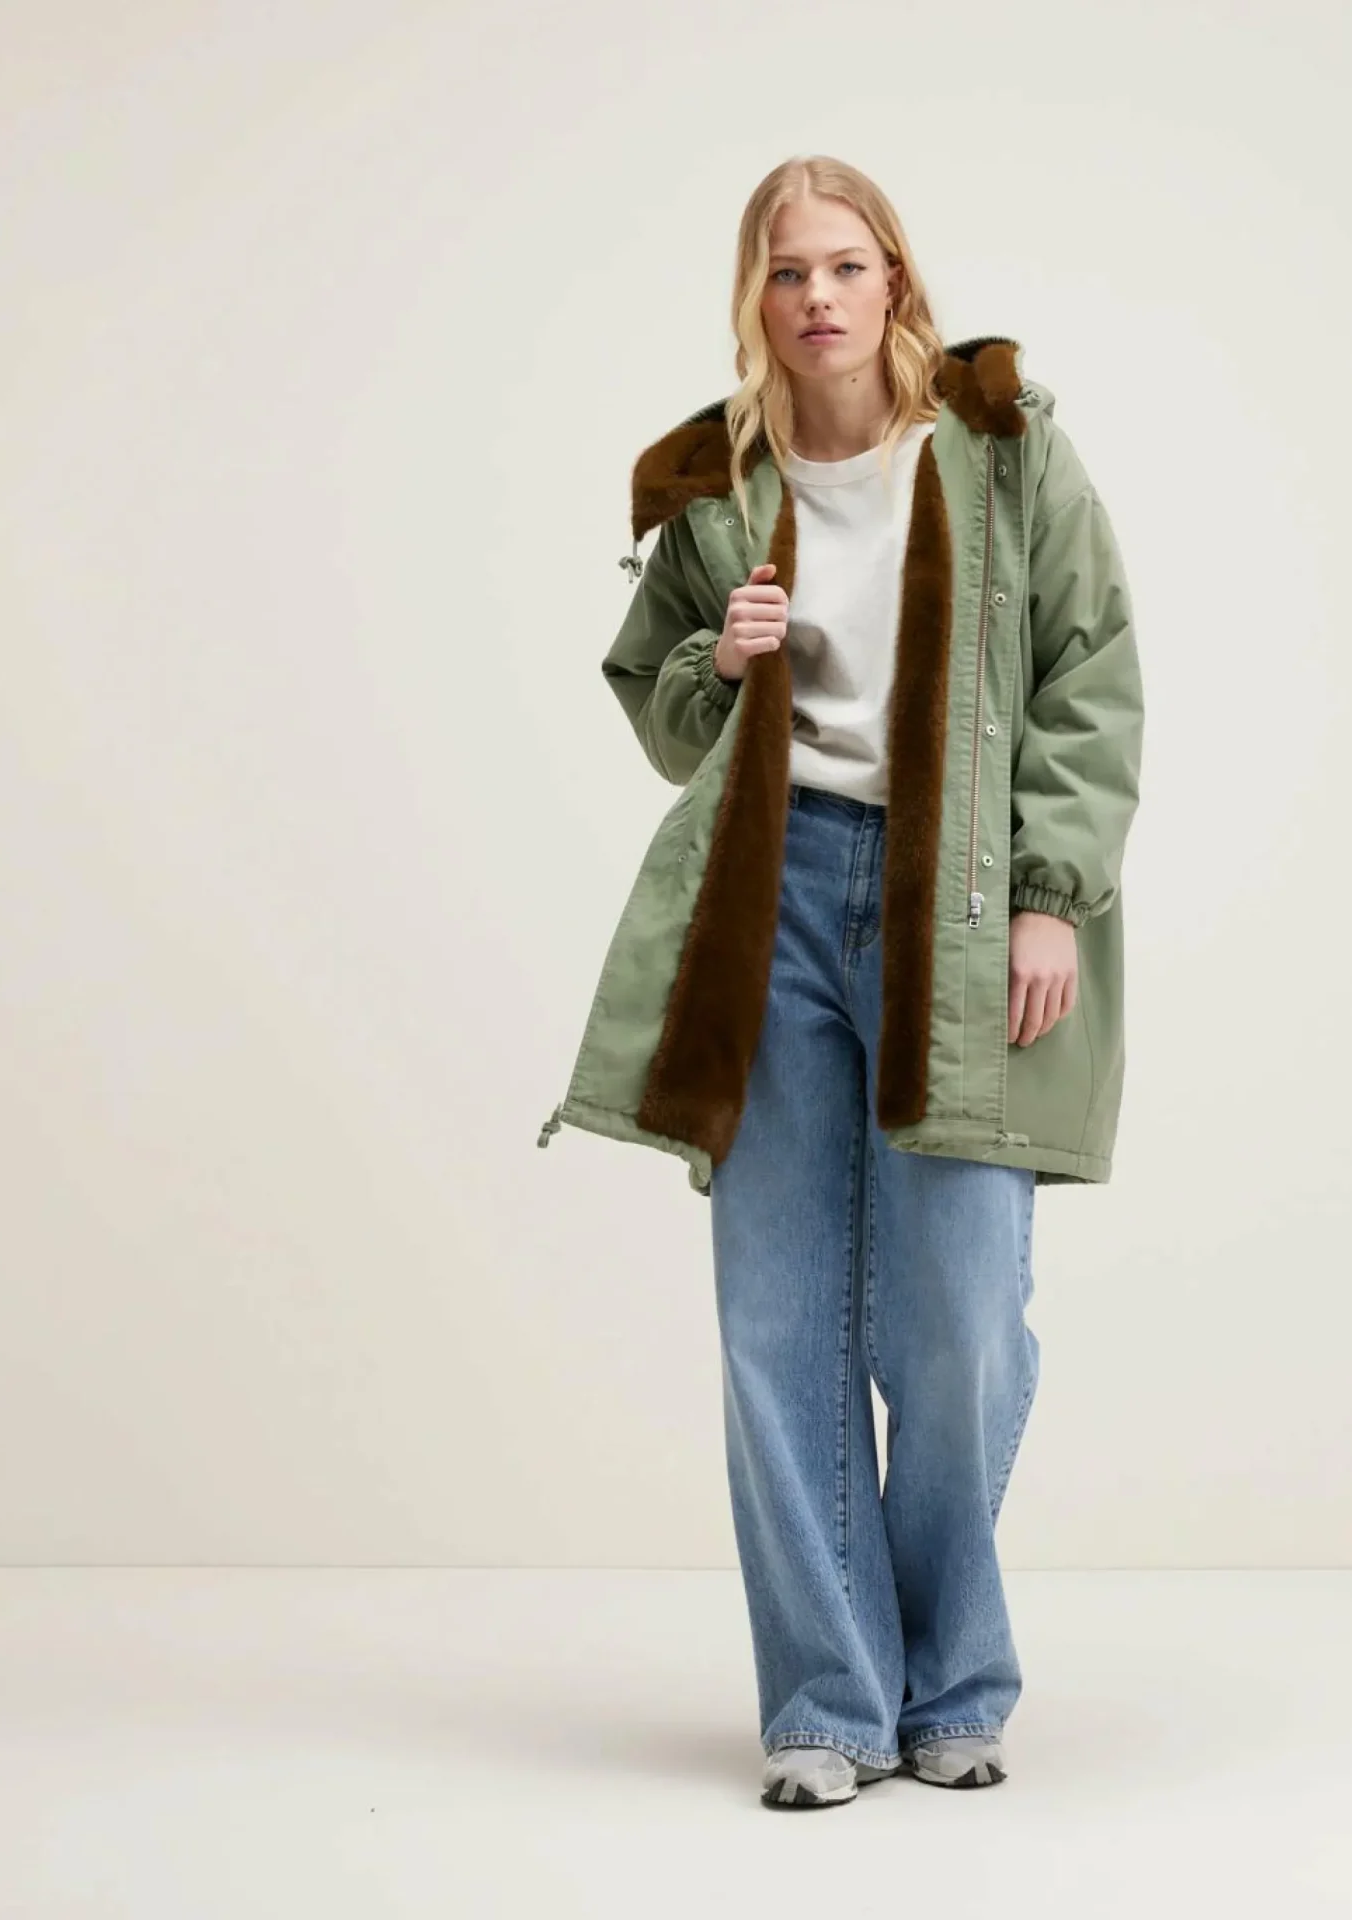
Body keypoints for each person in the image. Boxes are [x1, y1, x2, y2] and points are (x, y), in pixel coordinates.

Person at [537, 155, 1144, 1810]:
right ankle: (828, 1697)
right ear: (757, 295)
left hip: (962, 900)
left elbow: (1091, 671)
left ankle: (953, 1678)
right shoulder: (709, 482)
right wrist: (718, 658)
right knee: (779, 1318)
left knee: (963, 1321)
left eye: (847, 266)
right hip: (775, 896)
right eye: (787, 270)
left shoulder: (1002, 447)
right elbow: (665, 715)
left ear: (895, 281)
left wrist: (1049, 899)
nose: (818, 297)